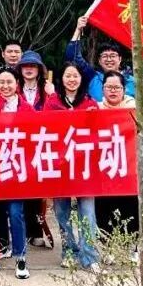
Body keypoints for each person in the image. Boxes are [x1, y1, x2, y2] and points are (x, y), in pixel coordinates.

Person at [96, 70, 143, 263]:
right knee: (104, 209)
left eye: (117, 87)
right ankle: (108, 247)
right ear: (103, 89)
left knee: (131, 208)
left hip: (130, 169)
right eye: (109, 87)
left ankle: (133, 247)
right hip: (104, 169)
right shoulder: (96, 108)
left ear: (124, 89)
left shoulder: (135, 109)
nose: (112, 91)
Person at [45, 62, 100, 272]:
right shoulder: (52, 102)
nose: (72, 79)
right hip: (60, 167)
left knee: (88, 213)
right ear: (62, 79)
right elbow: (44, 129)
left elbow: (98, 132)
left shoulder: (90, 102)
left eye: (75, 76)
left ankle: (89, 256)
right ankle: (69, 251)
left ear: (81, 79)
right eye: (68, 75)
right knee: (62, 213)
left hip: (85, 168)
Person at [0, 66, 35, 279]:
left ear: (17, 84)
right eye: (1, 82)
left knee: (15, 212)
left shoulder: (27, 109)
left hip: (16, 168)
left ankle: (20, 257)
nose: (5, 86)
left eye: (9, 82)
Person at [17, 50, 55, 249]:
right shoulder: (14, 88)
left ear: (40, 69)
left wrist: (52, 94)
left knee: (37, 189)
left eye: (33, 66)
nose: (29, 69)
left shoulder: (47, 90)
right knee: (20, 188)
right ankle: (20, 231)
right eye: (25, 66)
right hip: (18, 143)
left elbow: (56, 113)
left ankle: (35, 231)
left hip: (41, 143)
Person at [66, 15, 134, 101]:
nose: (109, 59)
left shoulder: (133, 81)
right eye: (105, 56)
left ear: (120, 59)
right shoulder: (93, 77)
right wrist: (78, 29)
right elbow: (73, 56)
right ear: (99, 61)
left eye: (113, 56)